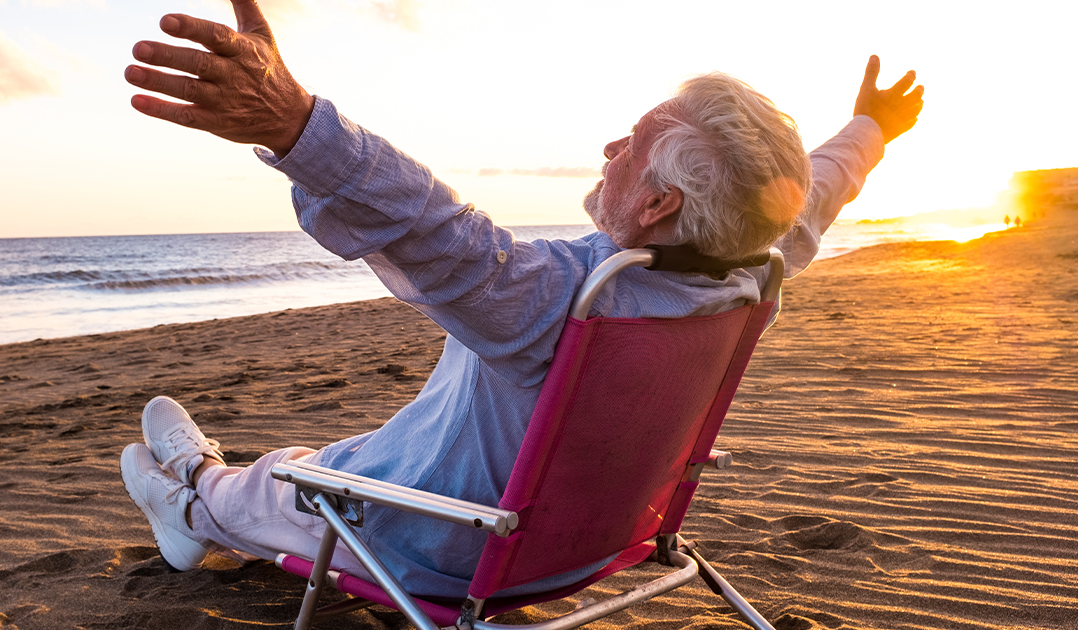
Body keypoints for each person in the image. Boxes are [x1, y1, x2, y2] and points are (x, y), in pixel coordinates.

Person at [118, 0, 924, 599]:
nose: (611, 147)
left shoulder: (565, 302)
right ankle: (206, 483)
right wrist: (870, 127)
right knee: (330, 461)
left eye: (634, 141)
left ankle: (189, 496)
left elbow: (431, 227)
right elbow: (815, 188)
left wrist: (295, 125)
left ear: (657, 207)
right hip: (593, 541)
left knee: (285, 483)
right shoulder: (753, 265)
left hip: (441, 546)